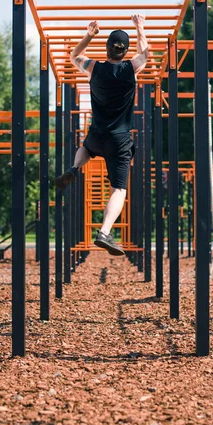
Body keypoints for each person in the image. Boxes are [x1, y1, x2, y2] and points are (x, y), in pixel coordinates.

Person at [55, 15, 148, 256]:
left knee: (86, 148)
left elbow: (73, 56)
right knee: (119, 189)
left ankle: (74, 168)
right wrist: (140, 27)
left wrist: (89, 35)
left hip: (97, 134)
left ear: (106, 48)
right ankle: (104, 231)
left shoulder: (94, 68)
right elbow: (145, 55)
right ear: (124, 51)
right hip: (120, 139)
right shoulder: (130, 69)